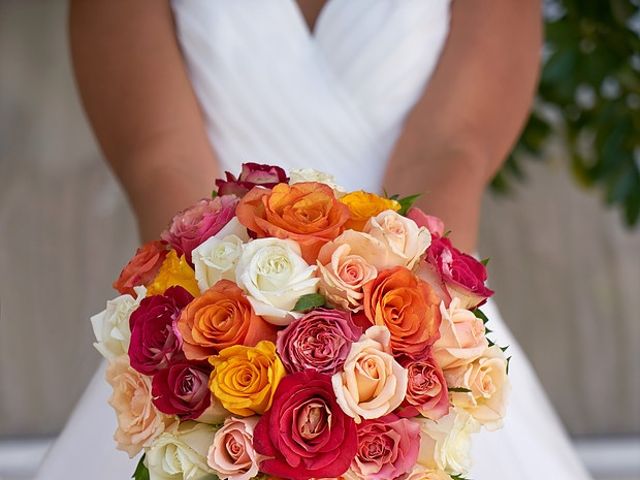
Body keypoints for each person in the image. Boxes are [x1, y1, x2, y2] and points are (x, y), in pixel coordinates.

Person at [36, 1, 592, 478]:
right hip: (207, 306)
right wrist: (225, 399)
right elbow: (160, 159)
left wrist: (404, 378)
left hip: (415, 298)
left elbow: (454, 148)